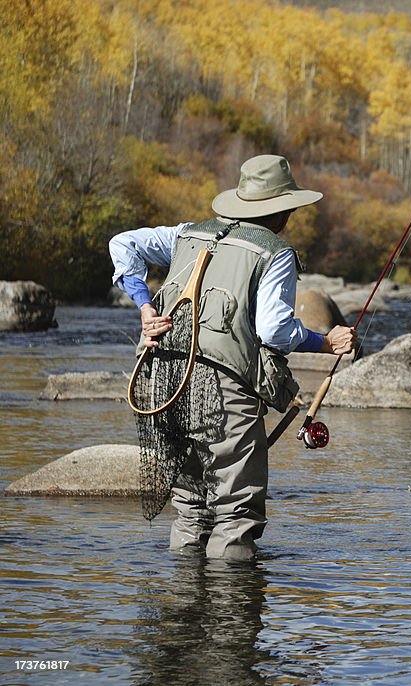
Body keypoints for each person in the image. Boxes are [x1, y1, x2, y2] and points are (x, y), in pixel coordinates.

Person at [109, 154, 355, 560]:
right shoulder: (276, 252)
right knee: (236, 513)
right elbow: (275, 331)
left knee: (190, 505)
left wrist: (143, 304)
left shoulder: (190, 233)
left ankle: (183, 611)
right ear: (284, 210)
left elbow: (123, 244)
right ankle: (230, 617)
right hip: (225, 388)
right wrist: (324, 342)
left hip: (167, 379)